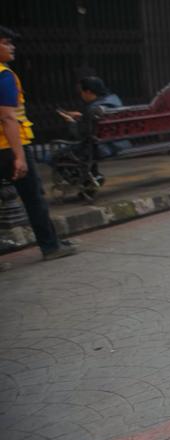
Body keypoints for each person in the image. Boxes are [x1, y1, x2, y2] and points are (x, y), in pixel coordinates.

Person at [0, 26, 76, 263]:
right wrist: (19, 156)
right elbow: (8, 117)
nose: (12, 47)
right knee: (33, 197)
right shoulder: (4, 75)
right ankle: (51, 245)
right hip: (8, 147)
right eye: (6, 43)